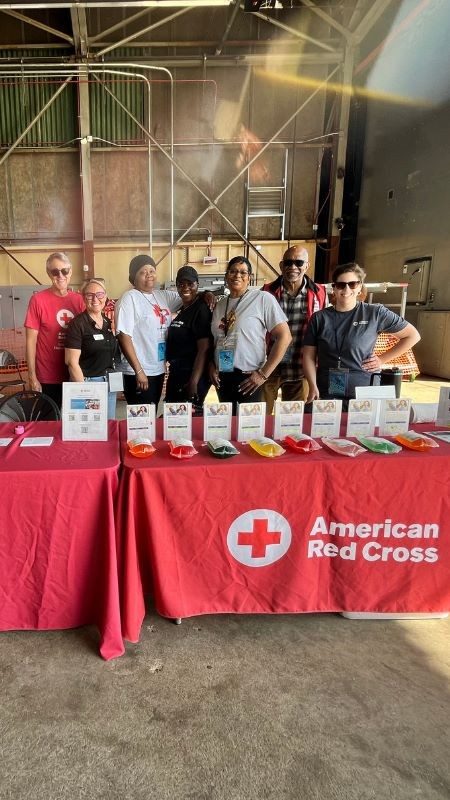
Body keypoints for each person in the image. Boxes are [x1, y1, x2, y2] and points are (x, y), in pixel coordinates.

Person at [302, 262, 421, 409]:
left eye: (352, 284)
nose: (346, 289)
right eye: (341, 285)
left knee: (362, 430)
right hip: (327, 390)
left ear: (359, 287)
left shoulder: (375, 313)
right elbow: (308, 356)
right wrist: (312, 385)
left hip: (365, 390)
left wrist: (382, 359)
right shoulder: (319, 318)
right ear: (334, 288)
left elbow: (412, 335)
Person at [210, 256, 292, 412]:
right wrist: (212, 365)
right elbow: (216, 339)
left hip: (249, 378)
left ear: (250, 277)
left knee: (247, 430)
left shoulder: (262, 299)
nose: (237, 275)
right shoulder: (220, 304)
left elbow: (285, 337)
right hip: (223, 377)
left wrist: (263, 374)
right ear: (226, 275)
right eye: (233, 271)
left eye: (243, 272)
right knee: (228, 427)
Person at [262, 244, 327, 413]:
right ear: (281, 265)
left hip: (300, 368)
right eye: (288, 262)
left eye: (298, 262)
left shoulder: (320, 292)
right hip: (269, 368)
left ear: (307, 265)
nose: (293, 267)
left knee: (293, 423)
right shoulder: (267, 291)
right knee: (260, 417)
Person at [115, 255, 183, 407]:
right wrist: (139, 371)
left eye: (152, 270)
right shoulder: (129, 298)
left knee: (151, 415)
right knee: (141, 421)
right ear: (133, 277)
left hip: (158, 369)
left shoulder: (161, 296)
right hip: (139, 372)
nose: (149, 274)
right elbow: (123, 336)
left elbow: (189, 296)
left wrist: (207, 295)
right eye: (142, 271)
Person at [24, 252, 85, 408]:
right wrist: (32, 376)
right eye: (54, 271)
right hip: (47, 376)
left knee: (75, 424)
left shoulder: (78, 300)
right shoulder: (38, 300)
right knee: (50, 422)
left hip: (74, 374)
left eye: (64, 270)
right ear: (48, 274)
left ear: (70, 271)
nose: (60, 275)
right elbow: (31, 341)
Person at [65, 278, 120, 420]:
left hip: (109, 383)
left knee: (109, 426)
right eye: (90, 295)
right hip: (89, 383)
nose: (95, 299)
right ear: (84, 298)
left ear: (106, 297)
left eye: (100, 294)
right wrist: (84, 392)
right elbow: (71, 362)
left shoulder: (108, 323)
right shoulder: (78, 324)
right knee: (90, 428)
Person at [165, 265, 212, 412]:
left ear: (197, 285)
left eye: (190, 284)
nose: (185, 287)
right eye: (181, 284)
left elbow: (204, 348)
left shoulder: (201, 309)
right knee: (173, 420)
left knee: (185, 421)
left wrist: (194, 381)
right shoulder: (182, 310)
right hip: (177, 373)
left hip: (191, 374)